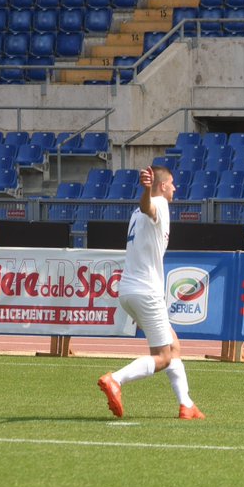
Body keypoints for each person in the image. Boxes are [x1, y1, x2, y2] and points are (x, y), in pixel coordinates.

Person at [97, 165, 205, 420]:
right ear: (163, 185)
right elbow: (150, 207)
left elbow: (145, 207)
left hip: (130, 290)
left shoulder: (135, 212)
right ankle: (115, 379)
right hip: (146, 291)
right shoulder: (157, 203)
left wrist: (146, 193)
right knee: (163, 356)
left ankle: (186, 405)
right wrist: (146, 190)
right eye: (172, 183)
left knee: (174, 345)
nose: (175, 188)